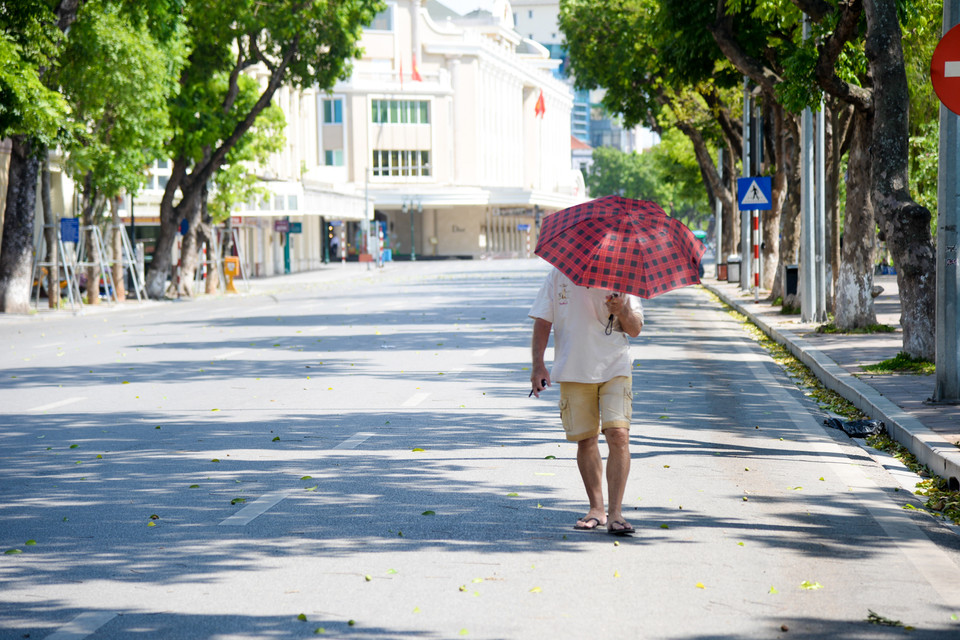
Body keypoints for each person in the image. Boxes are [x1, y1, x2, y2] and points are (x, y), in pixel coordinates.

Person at [529, 268, 644, 536]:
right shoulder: (558, 275)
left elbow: (635, 329)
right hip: (573, 368)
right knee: (586, 439)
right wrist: (538, 366)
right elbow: (543, 322)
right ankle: (596, 509)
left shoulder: (624, 273)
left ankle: (616, 513)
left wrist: (622, 310)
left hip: (616, 367)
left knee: (619, 435)